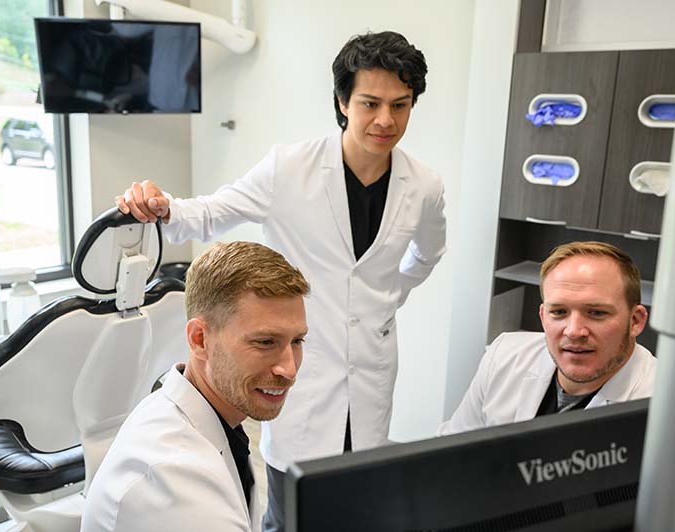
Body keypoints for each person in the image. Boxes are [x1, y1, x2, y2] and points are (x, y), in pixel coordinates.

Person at [117, 31, 447, 531]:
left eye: (400, 105)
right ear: (342, 101)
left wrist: (388, 298)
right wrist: (161, 207)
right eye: (370, 103)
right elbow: (211, 213)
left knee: (361, 497)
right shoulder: (289, 168)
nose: (385, 120)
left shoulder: (423, 185)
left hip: (372, 370)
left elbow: (429, 252)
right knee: (289, 511)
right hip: (299, 369)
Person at [80, 241, 310, 532]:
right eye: (265, 342)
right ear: (200, 339)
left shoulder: (205, 415)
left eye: (297, 341)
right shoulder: (177, 481)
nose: (288, 369)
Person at [439, 241, 656, 435]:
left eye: (596, 313)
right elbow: (449, 451)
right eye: (559, 312)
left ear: (635, 321)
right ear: (543, 317)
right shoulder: (504, 356)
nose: (573, 331)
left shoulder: (666, 405)